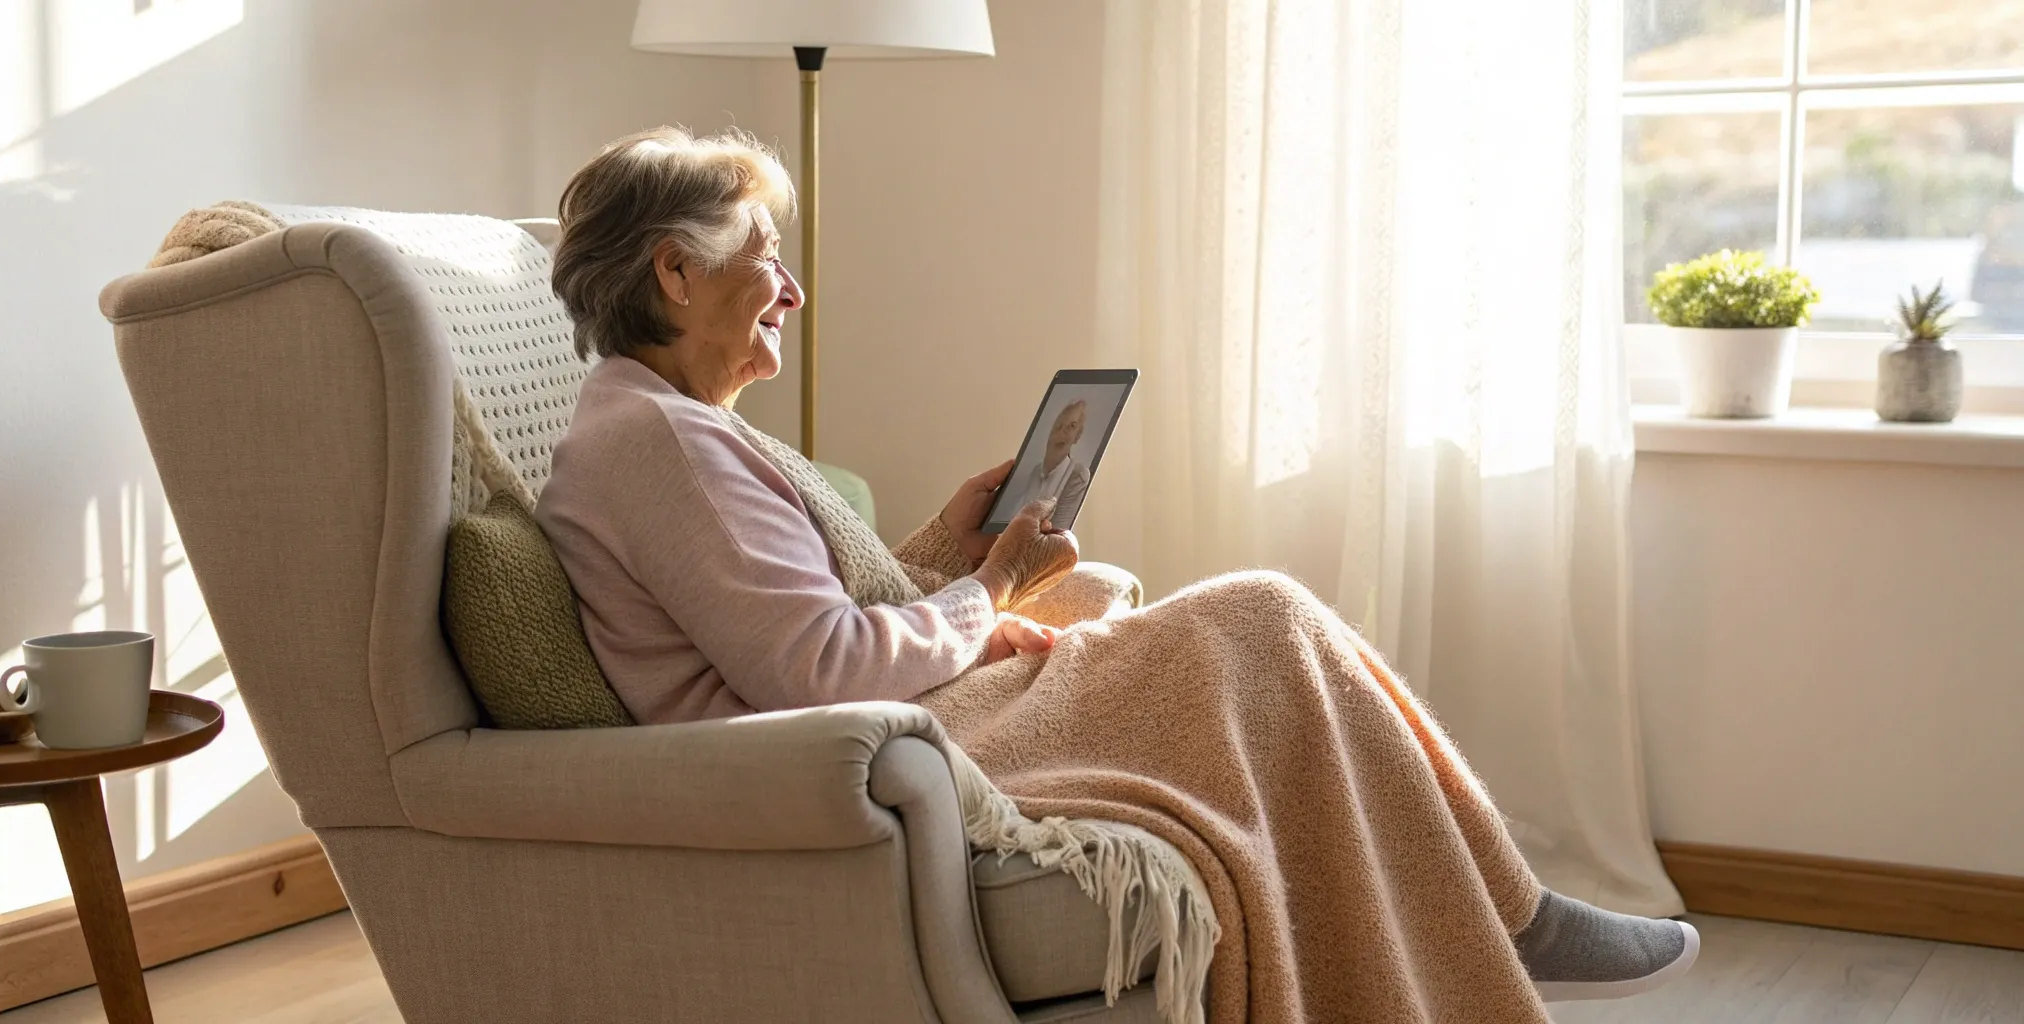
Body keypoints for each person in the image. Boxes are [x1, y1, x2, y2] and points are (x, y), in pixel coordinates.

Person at [533, 127, 1697, 1022]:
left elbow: (800, 613)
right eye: (764, 260)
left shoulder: (668, 427)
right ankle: (1503, 914)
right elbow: (811, 667)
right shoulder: (663, 445)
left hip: (872, 732)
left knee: (1117, 599)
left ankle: (1486, 902)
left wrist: (949, 542)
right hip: (841, 766)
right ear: (675, 273)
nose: (789, 292)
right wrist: (987, 589)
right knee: (1255, 617)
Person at [1008, 398, 1092, 526]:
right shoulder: (1036, 471)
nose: (1062, 430)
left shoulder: (1077, 476)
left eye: (1072, 426)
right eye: (1060, 423)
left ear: (1077, 436)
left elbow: (1058, 531)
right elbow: (1012, 520)